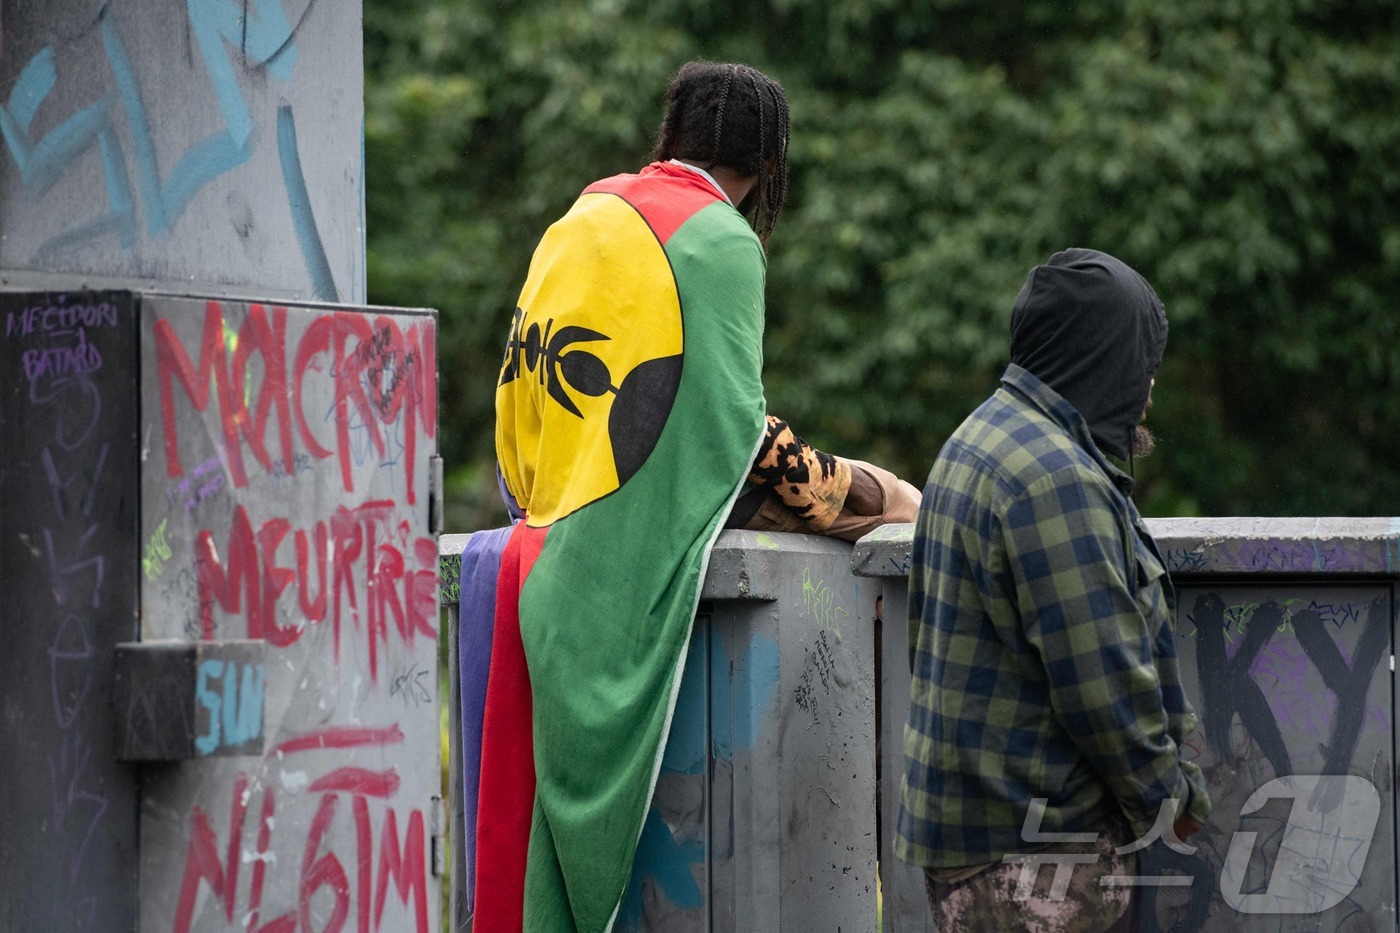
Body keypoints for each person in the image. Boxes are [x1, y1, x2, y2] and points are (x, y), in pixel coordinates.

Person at [472, 60, 917, 932]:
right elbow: (741, 440)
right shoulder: (720, 238)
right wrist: (886, 496)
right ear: (768, 168)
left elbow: (518, 399)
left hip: (531, 553)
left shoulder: (586, 210)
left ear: (671, 134)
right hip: (613, 576)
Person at [898, 248, 1211, 931]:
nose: (1148, 388)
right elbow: (1103, 686)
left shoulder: (978, 436)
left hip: (977, 841)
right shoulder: (1053, 478)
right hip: (1032, 854)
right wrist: (1172, 799)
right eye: (1140, 365)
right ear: (1098, 360)